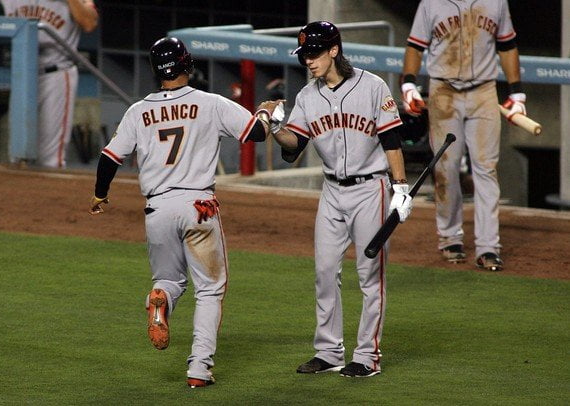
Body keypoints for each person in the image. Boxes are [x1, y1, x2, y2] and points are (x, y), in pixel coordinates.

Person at [89, 37, 271, 388]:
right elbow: (257, 134)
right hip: (198, 207)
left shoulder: (137, 111)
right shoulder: (211, 103)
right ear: (188, 65)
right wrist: (264, 110)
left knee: (169, 281)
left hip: (157, 209)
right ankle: (199, 369)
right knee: (210, 290)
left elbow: (109, 157)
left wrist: (100, 195)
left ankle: (160, 301)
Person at [257, 21, 412, 378]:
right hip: (330, 192)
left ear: (333, 50)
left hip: (369, 189)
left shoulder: (373, 86)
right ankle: (328, 352)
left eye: (313, 53)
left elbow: (391, 140)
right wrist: (277, 129)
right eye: (304, 55)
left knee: (370, 275)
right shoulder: (308, 97)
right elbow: (293, 150)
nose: (308, 61)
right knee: (324, 272)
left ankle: (368, 357)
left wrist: (400, 187)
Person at [401, 0, 525, 272]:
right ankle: (450, 238)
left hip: (484, 92)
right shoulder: (430, 3)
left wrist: (516, 92)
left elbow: (506, 45)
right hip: (443, 91)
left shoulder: (497, 2)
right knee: (446, 168)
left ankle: (488, 247)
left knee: (486, 169)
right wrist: (408, 82)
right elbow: (415, 46)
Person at [0, 0, 98, 168]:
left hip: (56, 74)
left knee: (50, 159)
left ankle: (52, 194)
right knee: (18, 153)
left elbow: (89, 22)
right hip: (22, 75)